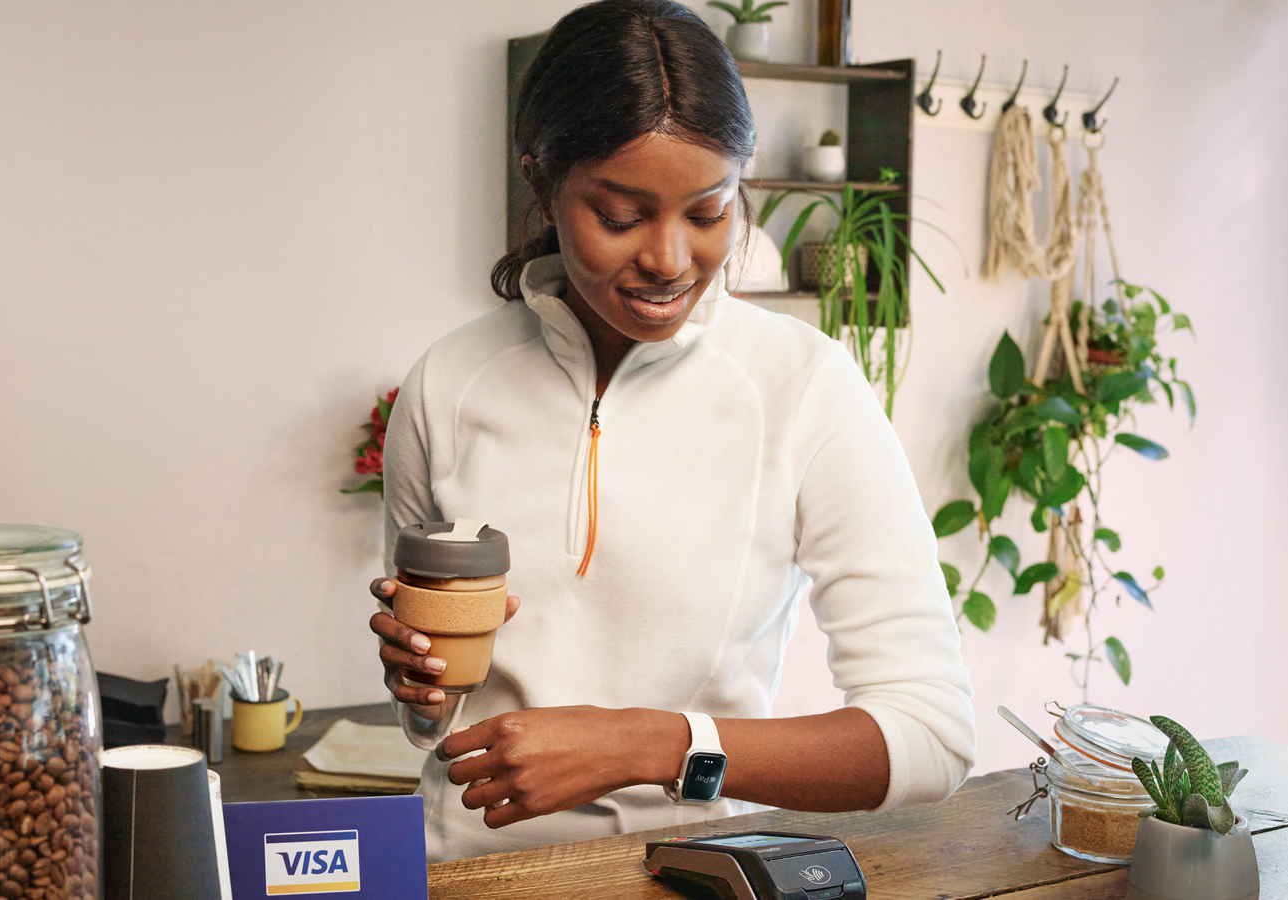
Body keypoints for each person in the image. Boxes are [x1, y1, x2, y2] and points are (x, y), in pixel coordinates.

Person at [368, 0, 975, 863]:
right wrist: (422, 685)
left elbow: (931, 736)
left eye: (707, 211)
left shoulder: (806, 390)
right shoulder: (448, 382)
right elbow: (428, 722)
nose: (669, 257)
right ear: (540, 181)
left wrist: (649, 744)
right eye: (620, 216)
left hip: (692, 875)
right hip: (469, 875)